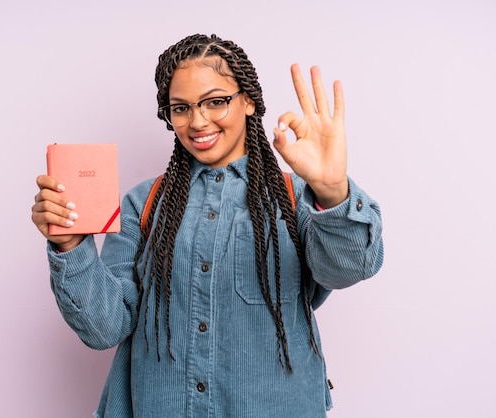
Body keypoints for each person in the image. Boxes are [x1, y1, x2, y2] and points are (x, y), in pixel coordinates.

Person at [31, 33, 384, 418]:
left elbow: (349, 268)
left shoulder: (296, 196)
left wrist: (333, 192)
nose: (198, 121)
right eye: (180, 108)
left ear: (248, 100)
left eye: (215, 101)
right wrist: (70, 246)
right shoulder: (141, 204)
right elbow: (104, 328)